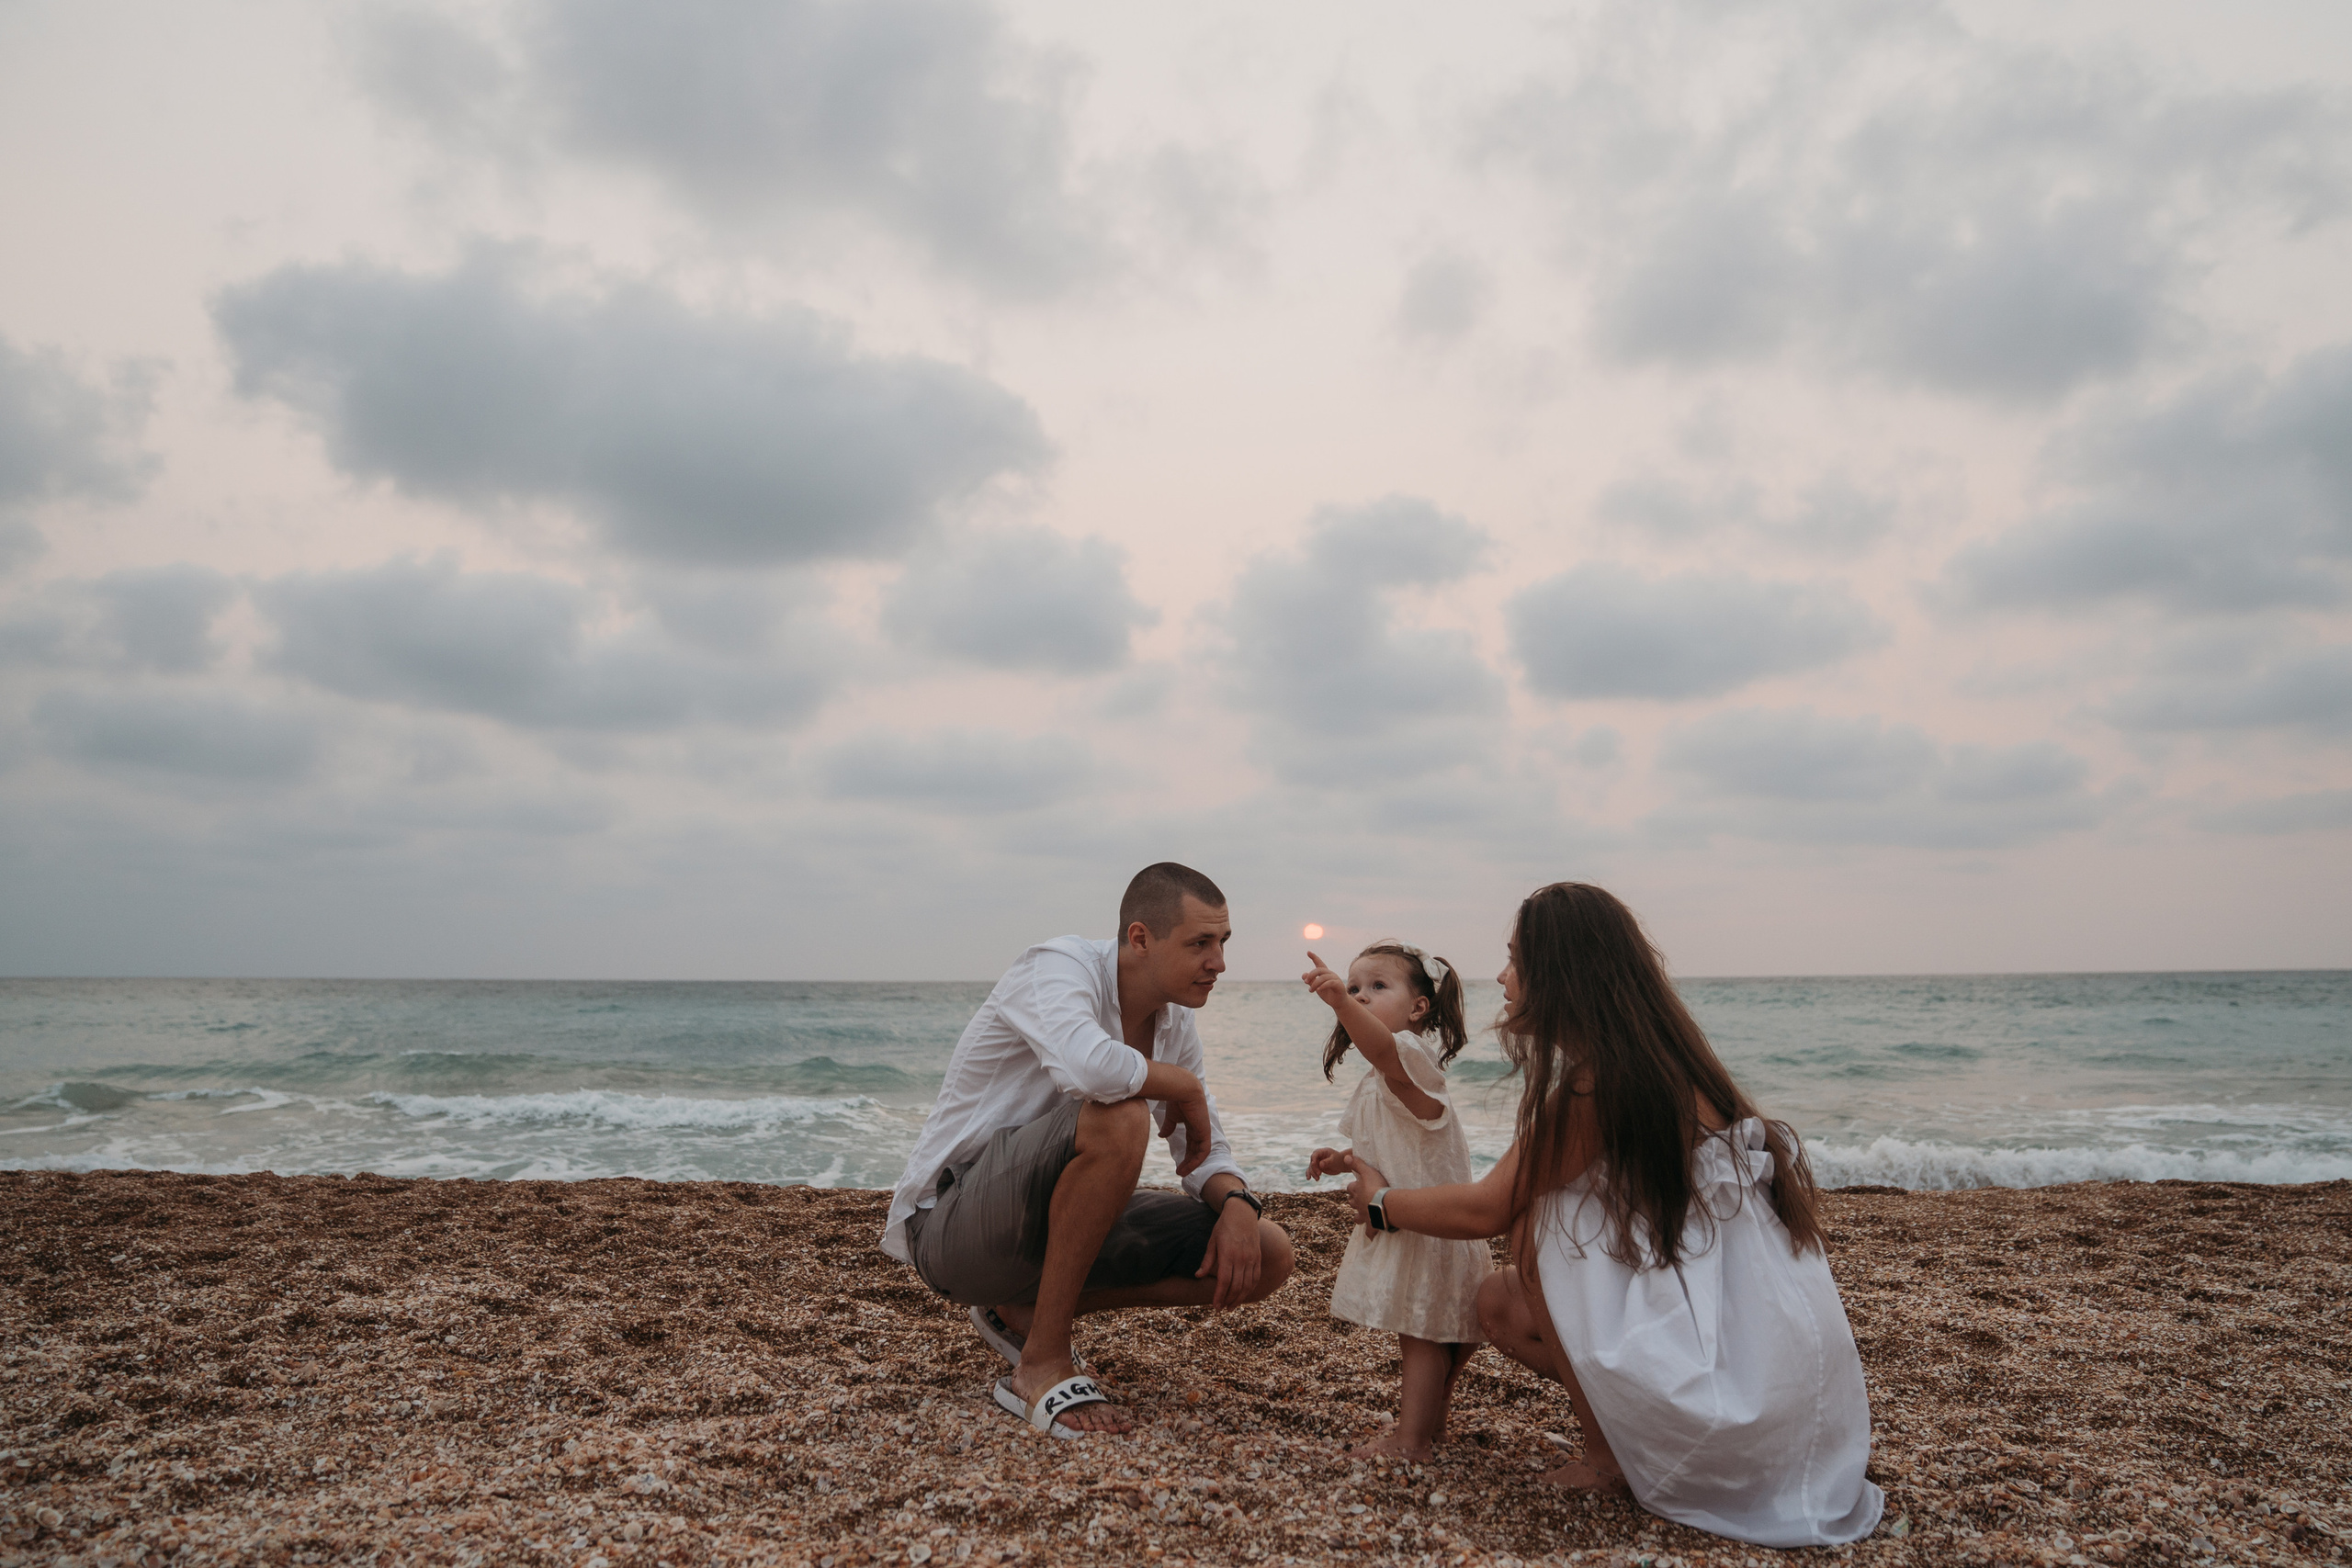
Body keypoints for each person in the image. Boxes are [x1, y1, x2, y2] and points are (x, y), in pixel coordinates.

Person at [1328, 883, 1883, 1548]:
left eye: (1514, 959)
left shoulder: (1599, 1084)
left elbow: (1486, 1207)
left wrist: (1382, 1204)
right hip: (1774, 1373)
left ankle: (1607, 1455)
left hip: (1738, 1403)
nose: (1502, 976)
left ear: (1561, 971)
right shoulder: (1663, 1059)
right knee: (1497, 1302)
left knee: (1537, 1223)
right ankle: (1632, 1429)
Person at [880, 863, 1295, 1438]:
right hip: (955, 1228)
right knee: (1121, 1118)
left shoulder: (1173, 1024)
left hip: (1047, 1229)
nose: (1219, 963)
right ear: (1141, 938)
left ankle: (1024, 1313)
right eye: (1200, 942)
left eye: (1223, 942)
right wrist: (1183, 1085)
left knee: (1268, 1253)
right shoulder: (1057, 968)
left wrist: (1239, 1207)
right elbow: (1090, 1069)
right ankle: (1041, 1363)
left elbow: (1205, 1153)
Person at [1303, 941, 1494, 1461]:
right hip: (1416, 1223)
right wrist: (1344, 1159)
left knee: (1421, 1338)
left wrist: (1340, 1004)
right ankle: (1428, 1429)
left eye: (1376, 987)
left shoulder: (1407, 1055)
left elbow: (1381, 1051)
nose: (1360, 997)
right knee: (1432, 1338)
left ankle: (1409, 1442)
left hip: (1427, 1228)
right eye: (1356, 986)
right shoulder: (1382, 1075)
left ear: (1418, 1009)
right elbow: (1391, 1142)